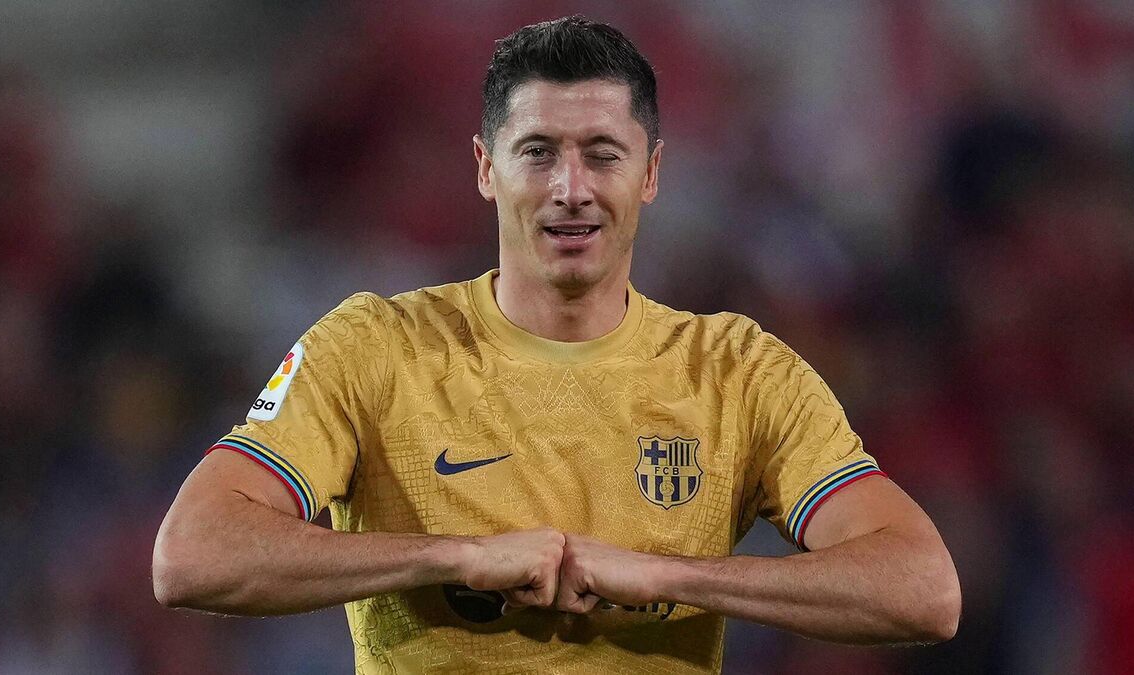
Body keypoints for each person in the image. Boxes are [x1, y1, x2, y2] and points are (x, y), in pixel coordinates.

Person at [152, 15, 960, 673]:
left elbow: (924, 587)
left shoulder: (738, 372)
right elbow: (190, 553)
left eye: (603, 155)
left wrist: (673, 575)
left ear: (651, 174)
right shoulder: (374, 349)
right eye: (537, 153)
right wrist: (453, 556)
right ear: (485, 168)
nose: (571, 189)